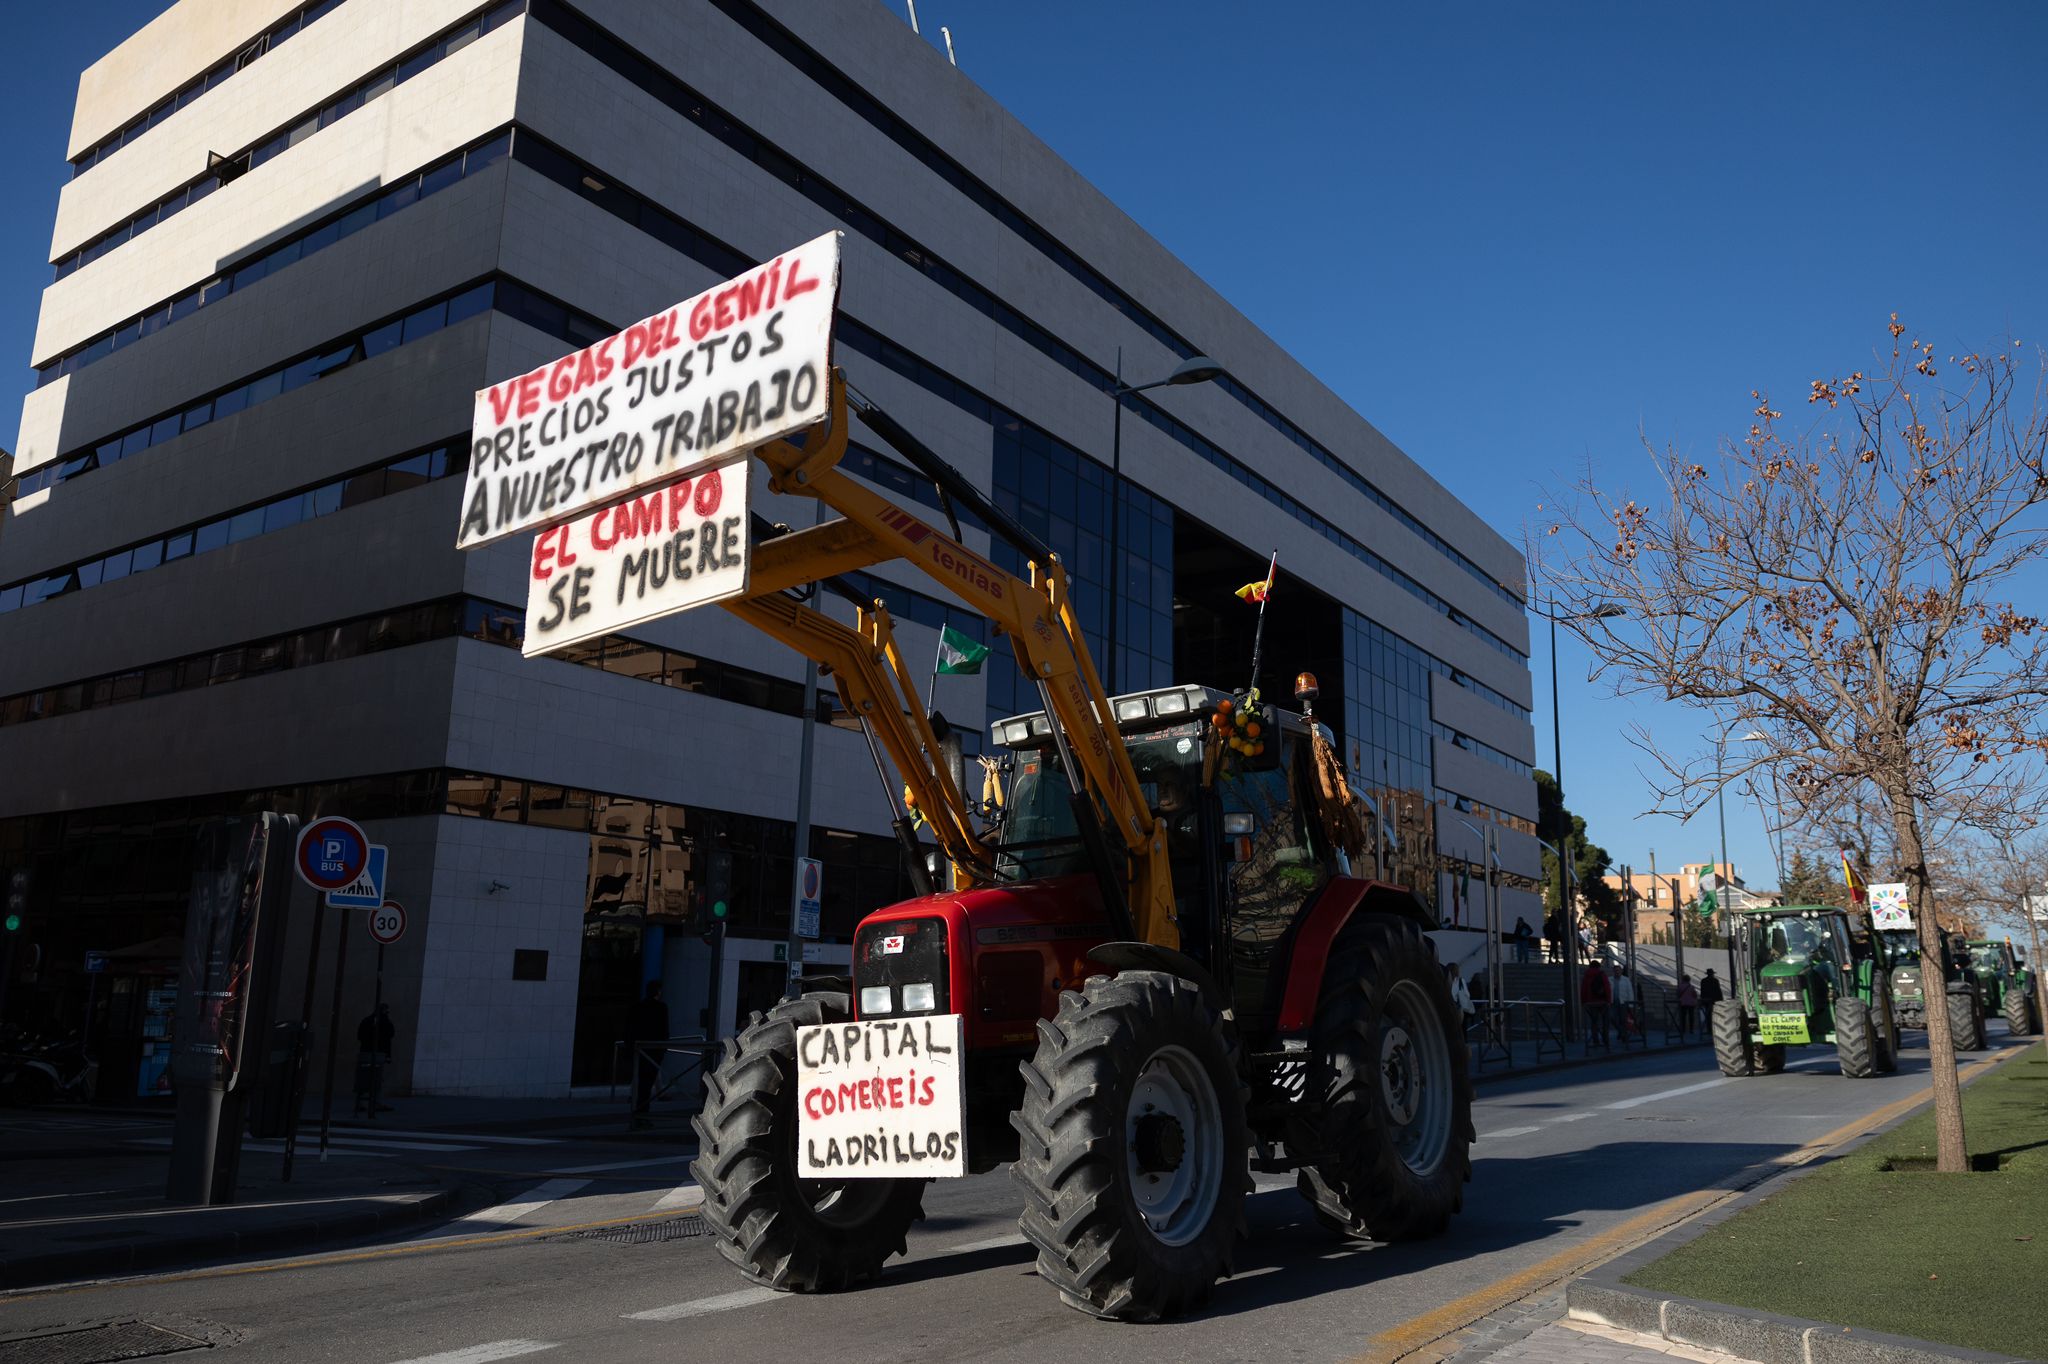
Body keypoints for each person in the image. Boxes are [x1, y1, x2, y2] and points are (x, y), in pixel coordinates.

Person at [628, 980, 670, 1126]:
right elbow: (664, 1029)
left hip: (641, 1049)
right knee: (647, 1083)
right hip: (654, 1049)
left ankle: (639, 1113)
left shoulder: (638, 1007)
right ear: (658, 992)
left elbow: (630, 1028)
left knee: (641, 1083)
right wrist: (663, 1047)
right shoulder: (661, 1008)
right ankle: (642, 1114)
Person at [354, 1002, 395, 1116]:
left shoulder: (367, 1021)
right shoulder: (385, 1022)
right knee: (377, 1078)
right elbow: (391, 1033)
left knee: (364, 1077)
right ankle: (374, 1103)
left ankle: (362, 1103)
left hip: (366, 1053)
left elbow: (359, 1035)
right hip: (378, 1054)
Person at [1581, 960, 1612, 1049]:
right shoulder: (1602, 974)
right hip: (1603, 1002)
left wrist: (1583, 1001)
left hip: (1591, 1002)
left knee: (1594, 1022)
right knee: (1605, 1022)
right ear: (1599, 966)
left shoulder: (1587, 975)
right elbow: (1607, 987)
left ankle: (1595, 1040)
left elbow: (1583, 989)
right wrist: (1609, 1001)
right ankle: (1605, 1040)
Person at [1447, 963, 1476, 1037]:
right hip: (1459, 1010)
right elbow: (1466, 996)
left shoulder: (1445, 981)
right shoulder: (1459, 982)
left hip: (1449, 1009)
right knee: (1461, 1030)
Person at [1612, 966, 1637, 1041]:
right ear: (1613, 971)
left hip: (1624, 1002)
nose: (1617, 972)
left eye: (1618, 970)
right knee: (1612, 1018)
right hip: (1613, 1002)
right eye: (1616, 970)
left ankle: (1623, 1035)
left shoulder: (1626, 980)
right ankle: (1621, 1032)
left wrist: (1631, 1004)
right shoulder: (1610, 979)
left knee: (1623, 1020)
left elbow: (1630, 992)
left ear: (1621, 971)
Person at [1677, 973, 1700, 1038]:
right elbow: (1695, 995)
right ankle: (1691, 1029)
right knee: (1691, 1016)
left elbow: (1678, 994)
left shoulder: (1680, 986)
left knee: (1683, 1017)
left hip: (1683, 1003)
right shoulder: (1691, 987)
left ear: (1683, 979)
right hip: (1691, 1003)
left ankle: (1683, 1029)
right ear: (1689, 980)